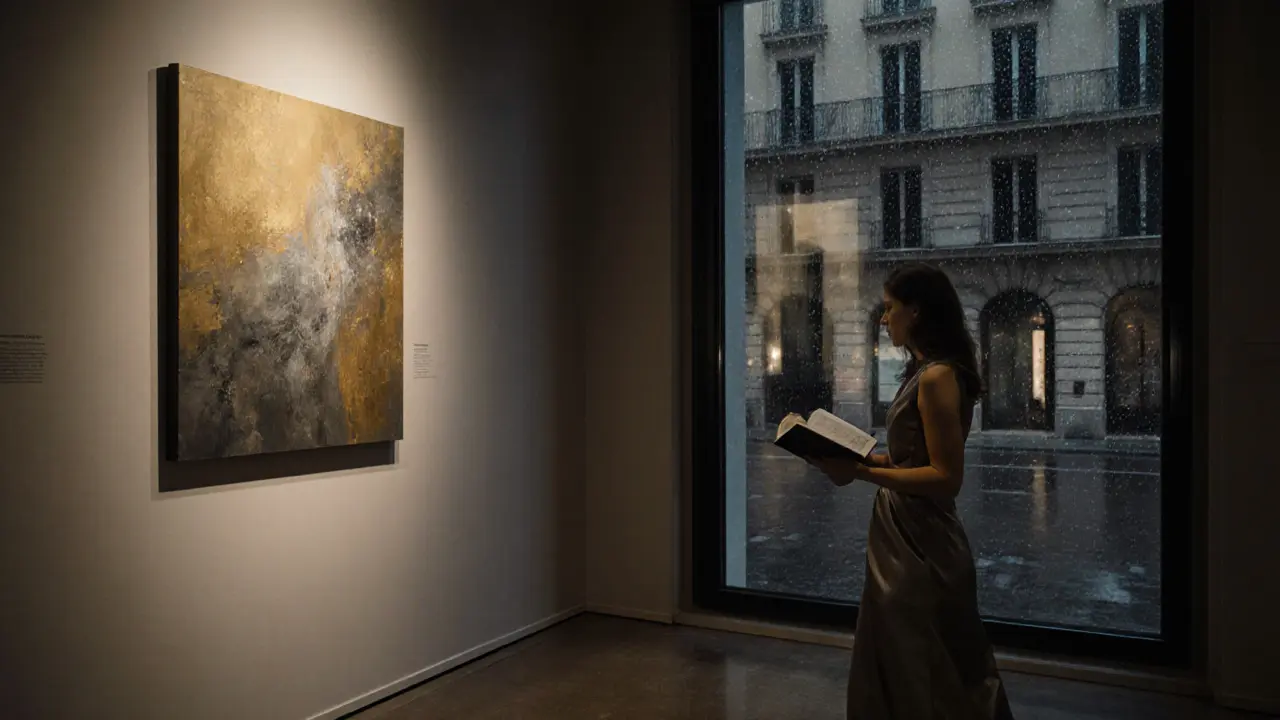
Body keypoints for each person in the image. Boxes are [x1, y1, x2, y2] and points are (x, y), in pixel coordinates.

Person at [809, 262, 1014, 719]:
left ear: (916, 312)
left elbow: (945, 477)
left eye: (889, 309)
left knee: (923, 666)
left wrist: (860, 473)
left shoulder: (938, 377)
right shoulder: (925, 371)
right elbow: (911, 463)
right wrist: (856, 460)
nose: (884, 320)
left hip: (922, 544)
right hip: (902, 536)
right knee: (908, 659)